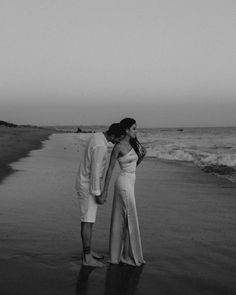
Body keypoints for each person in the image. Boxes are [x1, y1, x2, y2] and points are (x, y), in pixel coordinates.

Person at [97, 118, 146, 266]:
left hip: (130, 182)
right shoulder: (118, 147)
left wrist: (142, 155)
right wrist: (104, 191)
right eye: (133, 128)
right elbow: (110, 169)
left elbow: (133, 164)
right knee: (130, 217)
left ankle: (120, 255)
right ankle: (128, 255)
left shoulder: (132, 144)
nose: (135, 131)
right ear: (126, 130)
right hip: (123, 183)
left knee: (123, 219)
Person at [75, 123, 123, 267]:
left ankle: (88, 252)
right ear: (114, 135)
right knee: (87, 221)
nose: (118, 142)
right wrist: (98, 194)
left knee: (89, 220)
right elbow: (95, 172)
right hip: (88, 186)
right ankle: (87, 258)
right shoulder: (101, 146)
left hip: (85, 182)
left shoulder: (97, 136)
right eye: (119, 138)